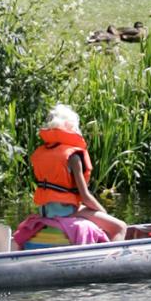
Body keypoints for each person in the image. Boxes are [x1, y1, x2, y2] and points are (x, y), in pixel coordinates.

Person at [30, 104, 126, 242]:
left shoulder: (42, 153)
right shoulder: (73, 157)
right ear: (70, 126)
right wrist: (103, 212)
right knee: (120, 227)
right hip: (66, 212)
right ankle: (112, 260)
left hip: (45, 212)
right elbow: (85, 197)